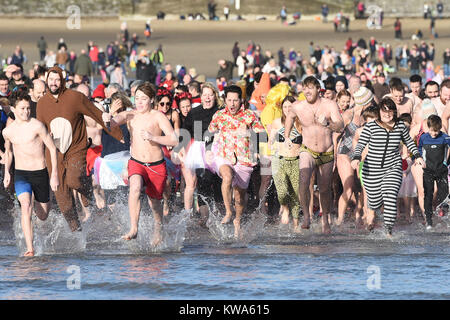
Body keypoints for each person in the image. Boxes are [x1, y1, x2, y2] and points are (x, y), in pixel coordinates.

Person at [36, 66, 123, 232]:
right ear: (47, 80)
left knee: (74, 179)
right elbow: (41, 130)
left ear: (62, 80)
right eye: (51, 79)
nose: (54, 83)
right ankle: (76, 231)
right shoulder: (42, 103)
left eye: (57, 79)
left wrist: (116, 131)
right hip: (54, 152)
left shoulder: (74, 97)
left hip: (76, 146)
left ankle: (86, 191)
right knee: (62, 197)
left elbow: (94, 112)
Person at [102, 82, 178, 246]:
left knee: (154, 203)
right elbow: (113, 123)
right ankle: (134, 228)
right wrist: (108, 117)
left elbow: (173, 139)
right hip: (136, 162)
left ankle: (158, 229)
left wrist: (154, 138)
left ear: (151, 99)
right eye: (137, 98)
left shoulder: (158, 116)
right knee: (134, 187)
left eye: (144, 98)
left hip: (156, 165)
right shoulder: (131, 115)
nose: (140, 102)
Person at [351, 98, 425, 236]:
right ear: (379, 112)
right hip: (371, 170)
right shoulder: (370, 126)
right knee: (374, 201)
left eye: (390, 111)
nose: (387, 114)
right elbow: (361, 144)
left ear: (394, 112)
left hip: (393, 167)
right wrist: (356, 158)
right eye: (384, 111)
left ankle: (388, 231)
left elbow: (409, 142)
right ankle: (371, 214)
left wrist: (417, 156)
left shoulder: (400, 126)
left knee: (390, 197)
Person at [284, 76, 344, 233]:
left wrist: (328, 124)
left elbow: (340, 125)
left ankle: (325, 220)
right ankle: (306, 216)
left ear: (319, 89)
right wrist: (286, 136)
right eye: (304, 88)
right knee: (303, 181)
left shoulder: (330, 105)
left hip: (326, 152)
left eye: (310, 88)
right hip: (307, 149)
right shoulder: (298, 106)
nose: (307, 91)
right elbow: (289, 118)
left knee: (324, 189)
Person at [2, 91, 59, 256]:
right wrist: (7, 172)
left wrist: (54, 173)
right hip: (21, 175)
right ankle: (30, 248)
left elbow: (52, 148)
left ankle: (42, 202)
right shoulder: (8, 132)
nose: (26, 112)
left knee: (42, 215)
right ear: (13, 108)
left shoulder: (37, 125)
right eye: (22, 108)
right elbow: (9, 153)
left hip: (40, 173)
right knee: (25, 206)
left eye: (28, 108)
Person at [208, 85, 265, 238]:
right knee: (226, 176)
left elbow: (262, 132)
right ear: (225, 100)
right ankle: (228, 211)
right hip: (224, 156)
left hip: (244, 159)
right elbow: (210, 129)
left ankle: (237, 220)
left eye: (235, 100)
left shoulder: (249, 115)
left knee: (240, 197)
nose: (232, 104)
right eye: (229, 100)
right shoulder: (219, 115)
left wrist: (247, 131)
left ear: (241, 101)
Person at [335, 87, 374, 226]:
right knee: (349, 187)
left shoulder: (366, 116)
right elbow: (335, 136)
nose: (372, 103)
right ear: (365, 102)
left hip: (360, 155)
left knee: (364, 188)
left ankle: (361, 216)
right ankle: (339, 220)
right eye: (370, 101)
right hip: (344, 153)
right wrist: (334, 158)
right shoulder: (348, 115)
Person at [270, 95, 302, 230]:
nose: (287, 109)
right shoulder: (277, 122)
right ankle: (285, 208)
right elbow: (270, 141)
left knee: (295, 194)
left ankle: (295, 224)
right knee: (282, 192)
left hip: (296, 161)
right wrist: (273, 142)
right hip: (279, 160)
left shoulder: (300, 123)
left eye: (290, 106)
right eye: (285, 107)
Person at [418, 115, 450, 229]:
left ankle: (445, 218)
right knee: (428, 195)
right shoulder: (423, 138)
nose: (434, 133)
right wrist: (420, 160)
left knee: (444, 195)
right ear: (428, 128)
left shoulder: (445, 138)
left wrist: (446, 162)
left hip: (441, 170)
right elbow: (419, 149)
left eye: (436, 131)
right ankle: (429, 221)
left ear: (440, 128)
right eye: (432, 131)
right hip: (428, 170)